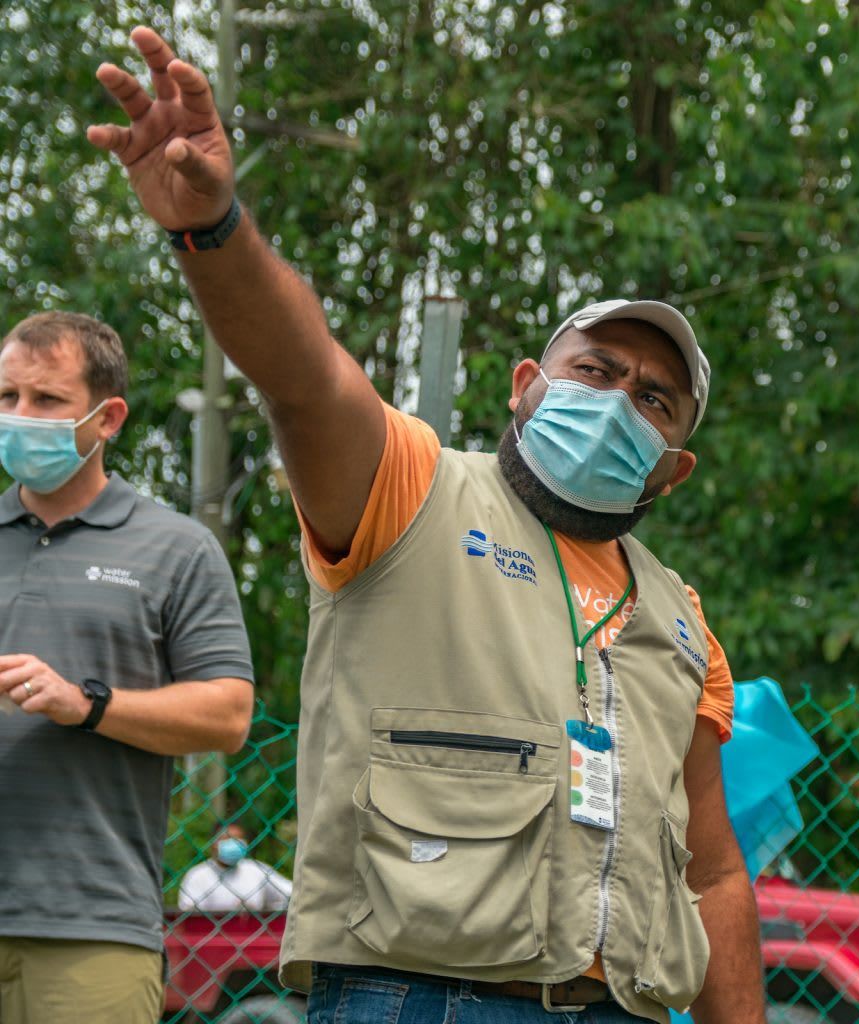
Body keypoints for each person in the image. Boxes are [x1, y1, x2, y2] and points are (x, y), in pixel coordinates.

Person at [88, 27, 765, 1024]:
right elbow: (303, 377)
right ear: (527, 385)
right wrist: (214, 230)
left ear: (675, 466)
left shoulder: (679, 619)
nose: (622, 400)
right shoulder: (413, 488)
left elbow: (713, 876)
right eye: (597, 371)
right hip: (415, 998)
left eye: (655, 400)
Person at [0, 311, 255, 1024]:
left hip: (93, 928)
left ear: (108, 417)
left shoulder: (177, 549)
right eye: (7, 398)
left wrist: (86, 704)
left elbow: (230, 716)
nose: (21, 417)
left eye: (47, 401)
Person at [178, 822, 293, 914]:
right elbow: (190, 915)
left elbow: (290, 892)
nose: (234, 844)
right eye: (227, 839)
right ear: (213, 843)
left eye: (238, 839)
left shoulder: (255, 870)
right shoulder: (198, 876)